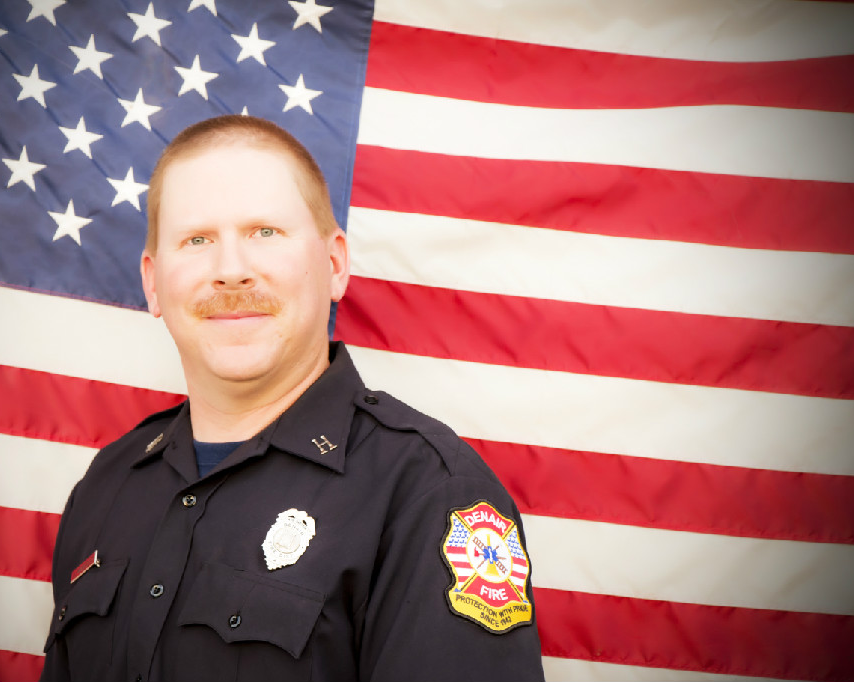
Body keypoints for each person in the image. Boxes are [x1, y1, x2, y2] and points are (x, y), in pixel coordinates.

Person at [40, 115, 545, 682]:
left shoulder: (428, 492)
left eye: (265, 232)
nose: (230, 271)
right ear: (153, 284)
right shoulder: (107, 486)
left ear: (334, 265)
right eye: (197, 240)